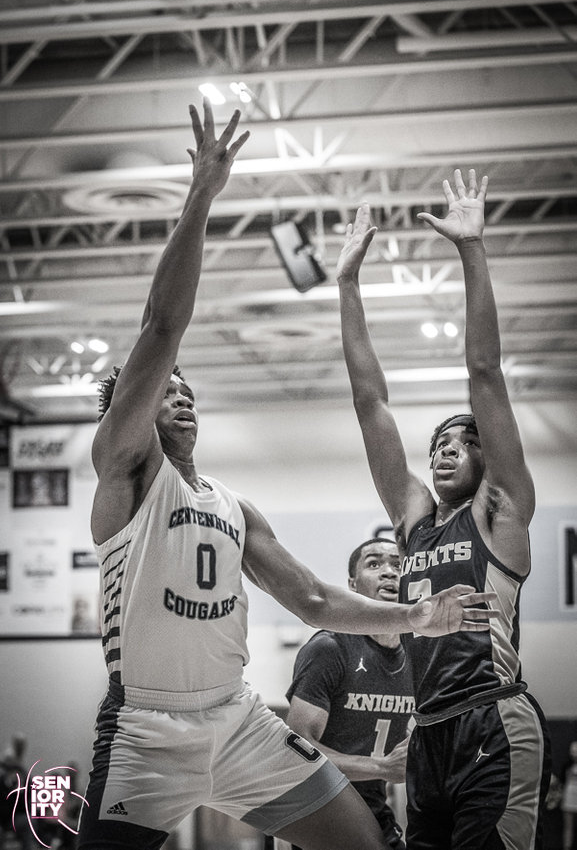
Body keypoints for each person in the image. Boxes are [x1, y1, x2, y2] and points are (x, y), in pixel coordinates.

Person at [76, 103, 499, 850]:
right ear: (125, 414)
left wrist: (413, 617)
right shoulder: (125, 468)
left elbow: (308, 597)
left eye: (186, 388)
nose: (178, 391)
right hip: (145, 725)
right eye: (159, 388)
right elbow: (162, 326)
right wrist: (201, 192)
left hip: (237, 717)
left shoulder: (233, 505)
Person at [336, 171, 552, 850]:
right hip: (426, 731)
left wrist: (470, 249)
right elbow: (369, 402)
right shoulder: (414, 520)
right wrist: (345, 284)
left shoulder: (501, 510)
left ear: (490, 458)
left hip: (494, 720)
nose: (444, 450)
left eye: (463, 441)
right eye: (437, 443)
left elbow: (484, 370)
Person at [286, 537, 414, 850]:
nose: (388, 572)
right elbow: (295, 751)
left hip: (373, 810)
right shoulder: (330, 648)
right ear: (353, 585)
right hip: (313, 813)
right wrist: (382, 767)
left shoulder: (419, 654)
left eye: (398, 565)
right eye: (375, 563)